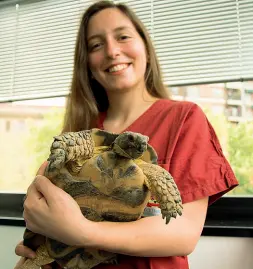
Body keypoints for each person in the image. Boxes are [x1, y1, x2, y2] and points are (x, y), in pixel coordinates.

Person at [14, 1, 239, 269]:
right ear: (87, 63)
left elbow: (183, 232)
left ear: (145, 45)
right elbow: (43, 201)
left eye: (123, 36)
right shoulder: (80, 132)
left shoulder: (184, 118)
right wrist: (37, 237)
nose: (112, 51)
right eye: (96, 45)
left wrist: (81, 232)